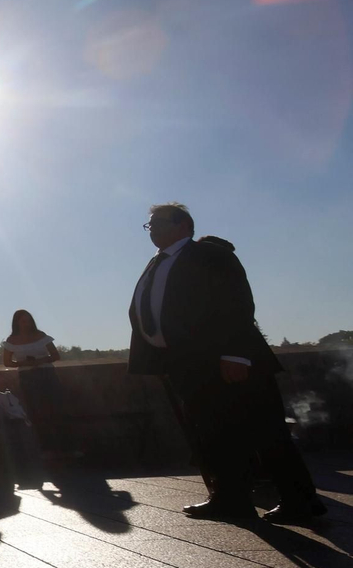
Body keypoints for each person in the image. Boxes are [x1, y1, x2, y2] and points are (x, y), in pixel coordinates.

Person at [127, 203, 324, 523]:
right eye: (150, 225)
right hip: (187, 364)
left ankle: (300, 501)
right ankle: (231, 499)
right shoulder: (158, 262)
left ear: (183, 225)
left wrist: (235, 354)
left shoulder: (208, 254)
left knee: (264, 430)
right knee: (213, 435)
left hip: (225, 359)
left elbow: (235, 302)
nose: (153, 230)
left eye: (159, 223)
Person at [2, 310, 66, 458]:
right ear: (17, 323)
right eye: (23, 321)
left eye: (28, 321)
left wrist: (41, 360)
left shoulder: (41, 335)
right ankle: (45, 448)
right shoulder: (12, 340)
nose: (27, 324)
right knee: (36, 411)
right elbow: (7, 362)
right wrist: (24, 363)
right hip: (27, 376)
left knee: (56, 409)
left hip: (47, 374)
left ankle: (63, 446)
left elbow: (55, 355)